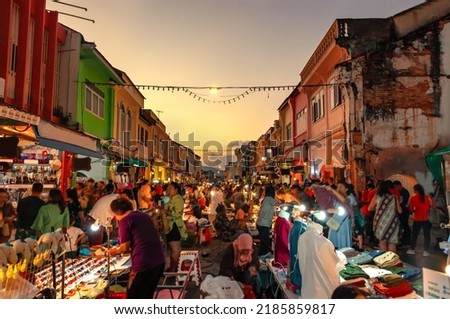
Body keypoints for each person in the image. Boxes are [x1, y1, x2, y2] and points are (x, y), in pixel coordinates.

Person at [108, 198, 164, 299]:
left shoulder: (125, 221)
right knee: (147, 295)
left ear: (119, 211)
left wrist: (113, 251)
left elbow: (124, 247)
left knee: (134, 296)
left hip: (144, 264)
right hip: (159, 260)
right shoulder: (143, 215)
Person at [368, 181, 401, 253]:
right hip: (392, 222)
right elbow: (400, 211)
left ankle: (385, 261)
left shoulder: (377, 196)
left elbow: (369, 208)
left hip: (380, 222)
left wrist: (378, 208)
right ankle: (392, 261)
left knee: (382, 241)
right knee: (392, 242)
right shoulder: (394, 197)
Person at [163, 182, 187, 272]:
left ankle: (174, 269)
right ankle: (173, 267)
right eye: (168, 189)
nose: (168, 191)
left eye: (170, 189)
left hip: (175, 226)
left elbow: (177, 214)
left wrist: (166, 212)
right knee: (173, 249)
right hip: (169, 226)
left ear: (176, 189)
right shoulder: (170, 199)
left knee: (175, 249)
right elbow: (164, 206)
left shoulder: (178, 199)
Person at [407, 184, 432, 257]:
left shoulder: (413, 198)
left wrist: (415, 211)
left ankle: (412, 249)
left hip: (417, 219)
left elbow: (411, 209)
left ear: (415, 190)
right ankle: (426, 251)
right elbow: (430, 207)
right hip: (427, 219)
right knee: (427, 235)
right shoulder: (427, 198)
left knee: (415, 235)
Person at [256, 185, 276, 256]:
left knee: (264, 242)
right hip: (263, 224)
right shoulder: (268, 199)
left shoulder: (266, 199)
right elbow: (278, 204)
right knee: (265, 243)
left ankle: (261, 256)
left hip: (262, 223)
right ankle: (261, 257)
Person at [393, 180, 411, 247]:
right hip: (402, 210)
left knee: (405, 225)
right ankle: (404, 240)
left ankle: (406, 241)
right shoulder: (400, 192)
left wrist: (397, 205)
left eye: (395, 187)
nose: (395, 188)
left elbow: (403, 202)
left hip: (404, 211)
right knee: (403, 225)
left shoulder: (404, 192)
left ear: (398, 185)